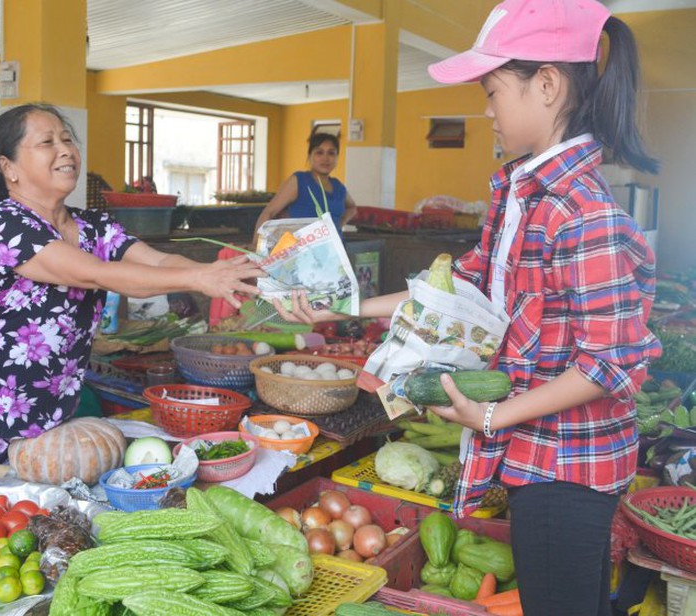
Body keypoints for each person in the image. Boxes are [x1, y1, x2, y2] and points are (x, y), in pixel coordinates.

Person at [276, 1, 661, 614]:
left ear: (547, 84)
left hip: (569, 469)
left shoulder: (582, 212)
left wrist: (491, 418)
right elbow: (455, 288)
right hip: (537, 458)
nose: (485, 111)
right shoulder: (521, 196)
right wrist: (340, 308)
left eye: (492, 91)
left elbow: (608, 365)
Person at [0, 103, 264, 462]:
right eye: (47, 142)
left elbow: (160, 260)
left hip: (55, 407)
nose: (66, 150)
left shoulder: (94, 226)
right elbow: (96, 273)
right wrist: (201, 278)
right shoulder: (5, 222)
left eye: (67, 139)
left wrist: (223, 274)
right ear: (7, 166)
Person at [253, 132, 357, 243]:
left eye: (331, 153)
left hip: (335, 254)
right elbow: (269, 212)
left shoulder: (338, 187)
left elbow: (352, 208)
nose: (325, 158)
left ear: (337, 157)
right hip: (302, 254)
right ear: (310, 156)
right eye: (319, 152)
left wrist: (339, 224)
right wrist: (256, 244)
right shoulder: (299, 181)